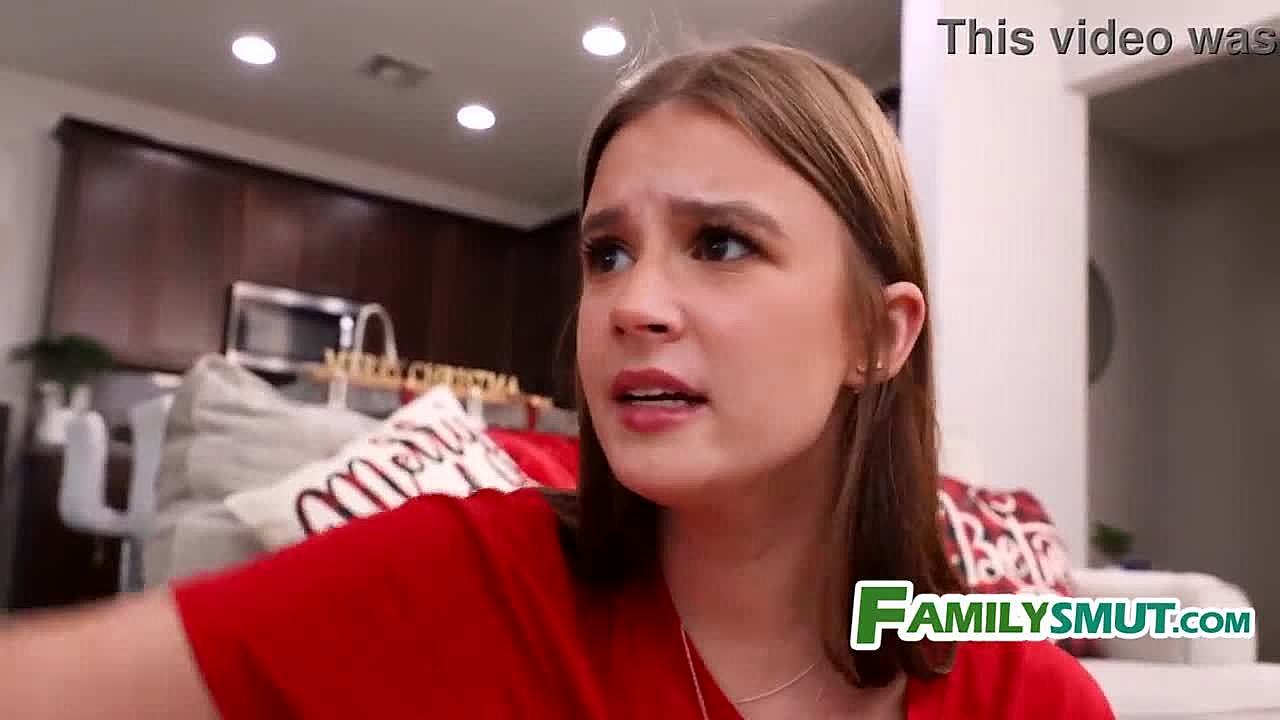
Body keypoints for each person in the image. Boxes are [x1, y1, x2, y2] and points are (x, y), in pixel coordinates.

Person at [0, 41, 1114, 719]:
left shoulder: (1029, 699)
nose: (630, 304)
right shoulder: (465, 578)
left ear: (879, 333)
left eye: (720, 243)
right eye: (606, 253)